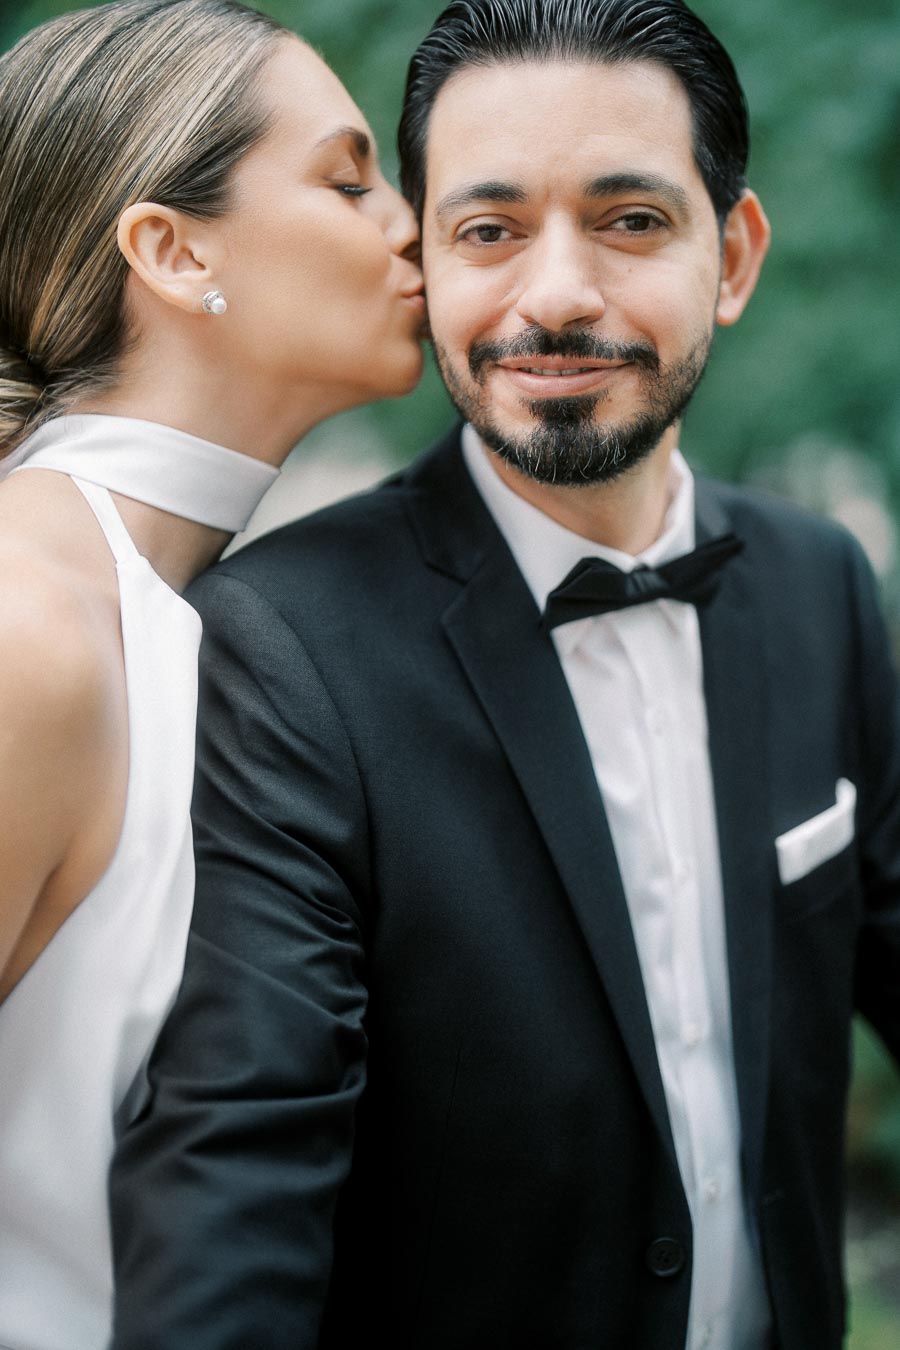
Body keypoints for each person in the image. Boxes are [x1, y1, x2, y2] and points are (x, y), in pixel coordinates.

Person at [110, 1, 900, 1348]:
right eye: (489, 231)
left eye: (631, 220)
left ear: (737, 255)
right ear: (426, 260)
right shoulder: (282, 645)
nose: (554, 297)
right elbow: (237, 1166)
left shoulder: (822, 577)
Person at [0, 0, 423, 1344]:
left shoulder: (204, 620)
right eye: (349, 178)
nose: (411, 220)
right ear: (173, 251)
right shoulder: (29, 630)